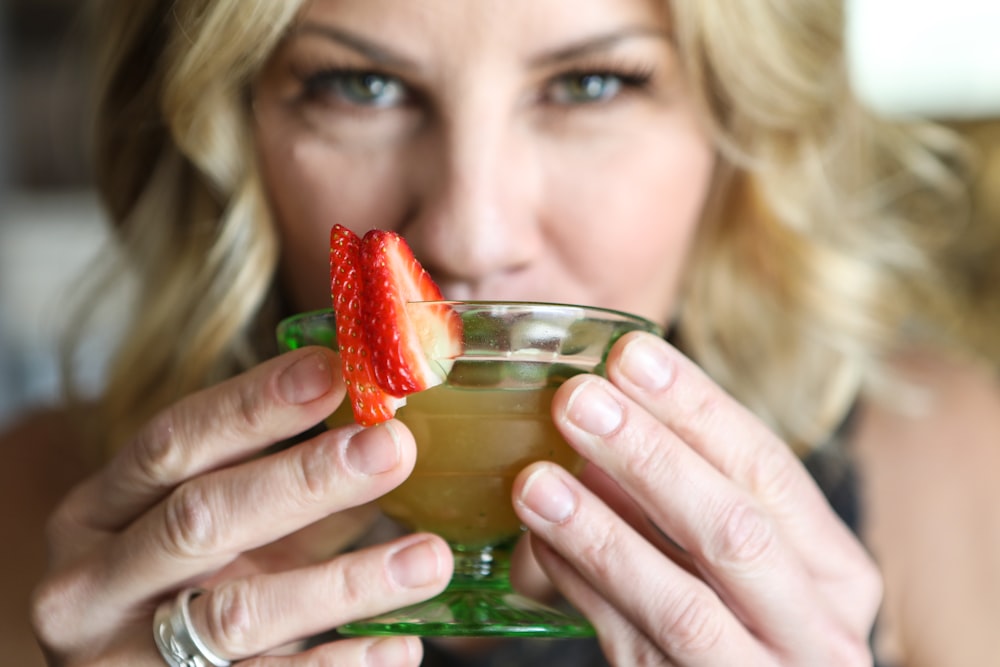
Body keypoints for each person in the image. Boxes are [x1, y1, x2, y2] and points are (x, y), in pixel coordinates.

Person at [3, 0, 1000, 664]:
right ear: (233, 125)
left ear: (737, 129)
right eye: (362, 84)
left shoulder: (944, 464)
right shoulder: (54, 517)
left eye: (589, 83)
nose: (469, 237)